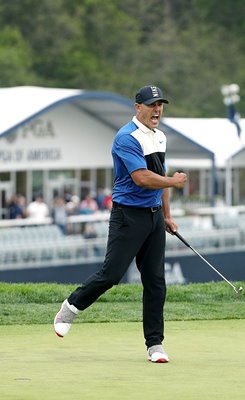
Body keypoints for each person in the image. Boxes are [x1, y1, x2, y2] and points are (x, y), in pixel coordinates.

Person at [54, 85, 187, 363]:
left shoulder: (159, 137)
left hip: (152, 217)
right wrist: (174, 182)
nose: (157, 110)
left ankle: (155, 345)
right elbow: (142, 178)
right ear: (137, 107)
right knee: (111, 274)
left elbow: (158, 176)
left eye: (160, 104)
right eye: (151, 105)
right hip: (128, 216)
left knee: (155, 282)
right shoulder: (126, 138)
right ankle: (72, 305)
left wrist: (167, 214)